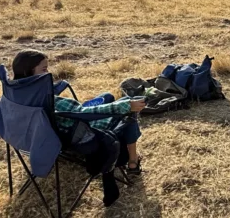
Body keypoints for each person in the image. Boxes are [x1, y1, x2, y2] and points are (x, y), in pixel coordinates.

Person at [11, 49, 144, 206]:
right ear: (29, 71)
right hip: (77, 134)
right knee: (128, 112)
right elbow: (85, 113)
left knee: (107, 96)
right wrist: (126, 105)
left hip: (43, 136)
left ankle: (131, 157)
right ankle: (133, 162)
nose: (49, 74)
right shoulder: (49, 102)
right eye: (44, 69)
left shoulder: (13, 96)